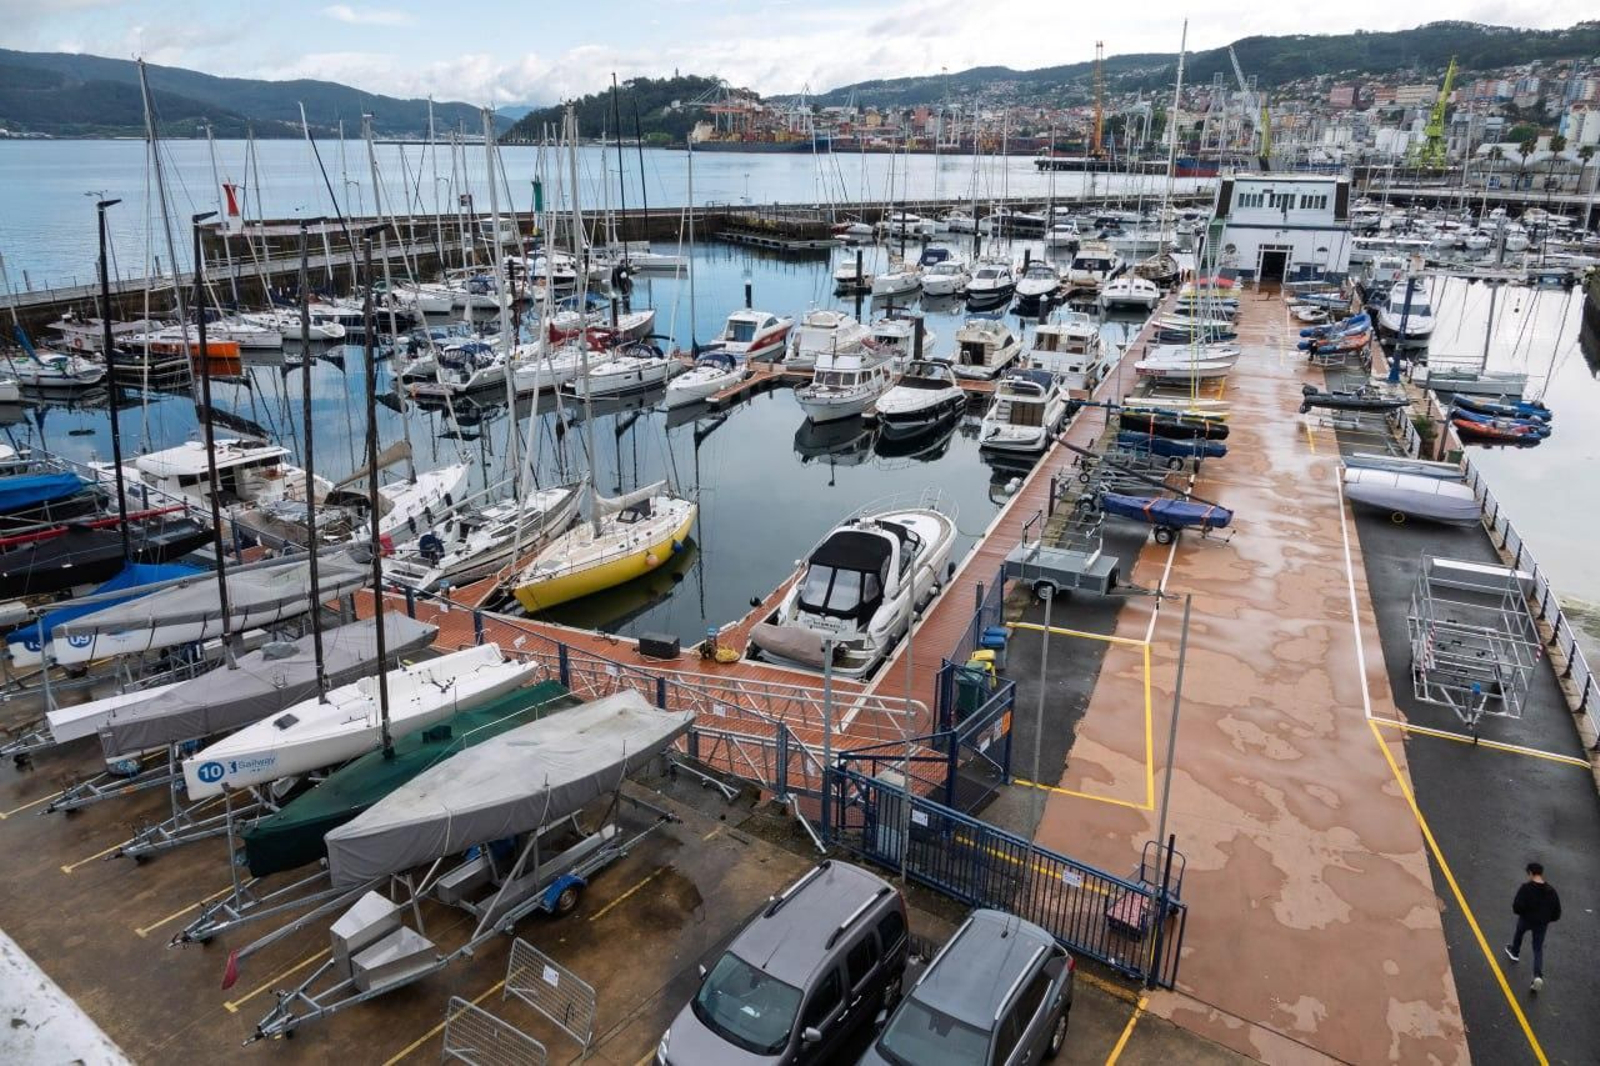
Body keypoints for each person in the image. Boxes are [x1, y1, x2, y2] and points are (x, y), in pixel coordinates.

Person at [1503, 862, 1561, 993]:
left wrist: (1523, 913)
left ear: (1530, 873)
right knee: (1537, 948)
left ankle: (1515, 952)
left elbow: (1517, 907)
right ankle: (1537, 976)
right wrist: (1546, 919)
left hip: (1526, 919)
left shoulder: (1526, 888)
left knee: (1519, 932)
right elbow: (1557, 913)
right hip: (1541, 924)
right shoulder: (1551, 891)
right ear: (1541, 873)